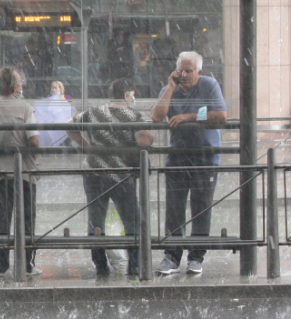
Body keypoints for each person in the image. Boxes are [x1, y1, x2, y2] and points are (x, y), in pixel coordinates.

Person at [65, 78, 153, 276]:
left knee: (96, 221)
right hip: (121, 175)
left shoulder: (94, 112)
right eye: (132, 94)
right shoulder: (132, 115)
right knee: (132, 220)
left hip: (94, 173)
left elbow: (69, 126)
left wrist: (87, 146)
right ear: (126, 95)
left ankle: (100, 265)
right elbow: (144, 140)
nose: (134, 97)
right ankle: (135, 264)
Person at [150, 51, 227, 275]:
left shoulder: (209, 85)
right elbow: (156, 116)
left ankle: (196, 257)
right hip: (177, 156)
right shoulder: (170, 88)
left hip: (205, 156)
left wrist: (189, 116)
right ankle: (171, 257)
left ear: (199, 72)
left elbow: (220, 115)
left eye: (189, 71)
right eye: (181, 70)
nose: (184, 75)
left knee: (201, 207)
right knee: (174, 208)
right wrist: (171, 88)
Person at [0, 67, 40, 279]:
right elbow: (33, 141)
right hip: (23, 173)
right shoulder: (25, 108)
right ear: (14, 87)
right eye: (20, 83)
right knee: (26, 220)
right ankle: (27, 265)